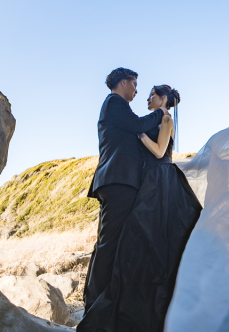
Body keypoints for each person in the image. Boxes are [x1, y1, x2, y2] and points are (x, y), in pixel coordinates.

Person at [78, 85, 202, 332]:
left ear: (163, 98)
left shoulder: (165, 119)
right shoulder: (152, 119)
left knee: (158, 242)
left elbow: (159, 151)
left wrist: (140, 135)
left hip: (161, 182)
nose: (147, 98)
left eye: (152, 95)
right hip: (147, 182)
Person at [81, 68, 164, 330]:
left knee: (112, 243)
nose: (137, 90)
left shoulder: (115, 106)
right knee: (108, 244)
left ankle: (106, 304)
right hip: (118, 181)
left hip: (119, 182)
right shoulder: (115, 103)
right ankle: (95, 305)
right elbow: (138, 125)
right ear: (124, 82)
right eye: (135, 84)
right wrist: (160, 113)